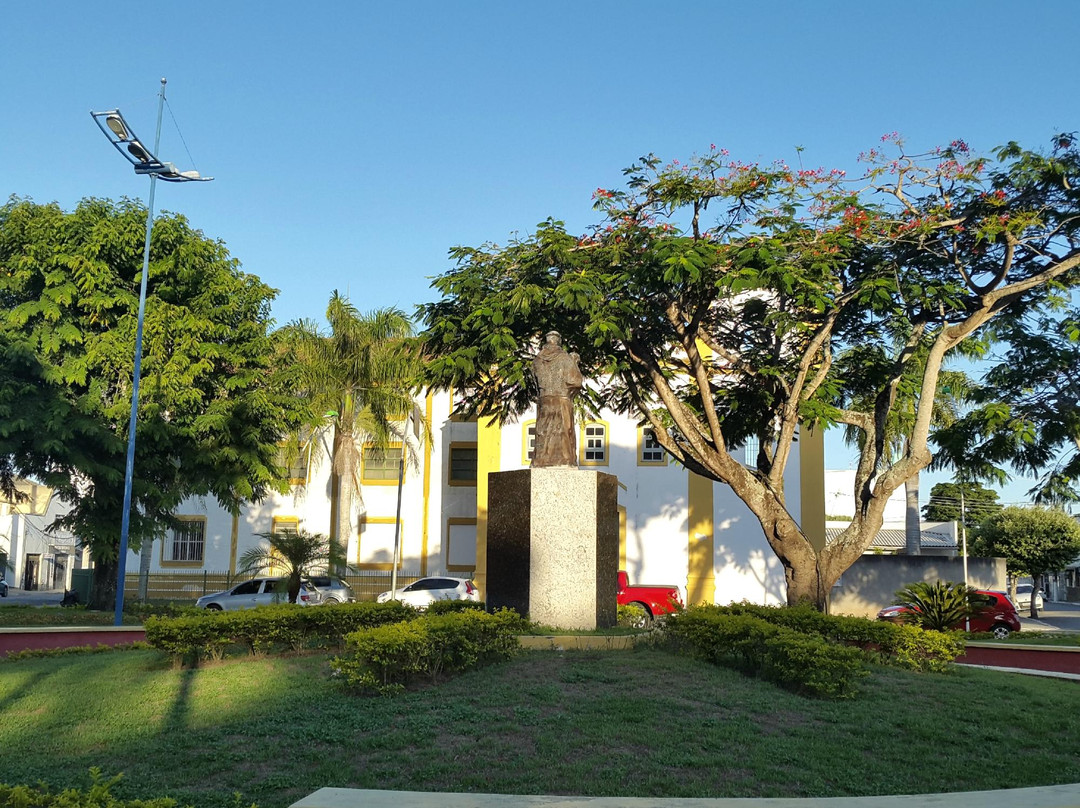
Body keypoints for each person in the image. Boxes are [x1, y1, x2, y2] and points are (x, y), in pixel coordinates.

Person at [531, 331, 583, 467]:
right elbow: (575, 382)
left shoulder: (537, 360)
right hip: (561, 400)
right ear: (558, 341)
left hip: (544, 401)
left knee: (543, 431)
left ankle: (541, 461)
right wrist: (575, 362)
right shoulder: (565, 358)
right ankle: (565, 461)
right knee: (564, 432)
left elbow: (535, 382)